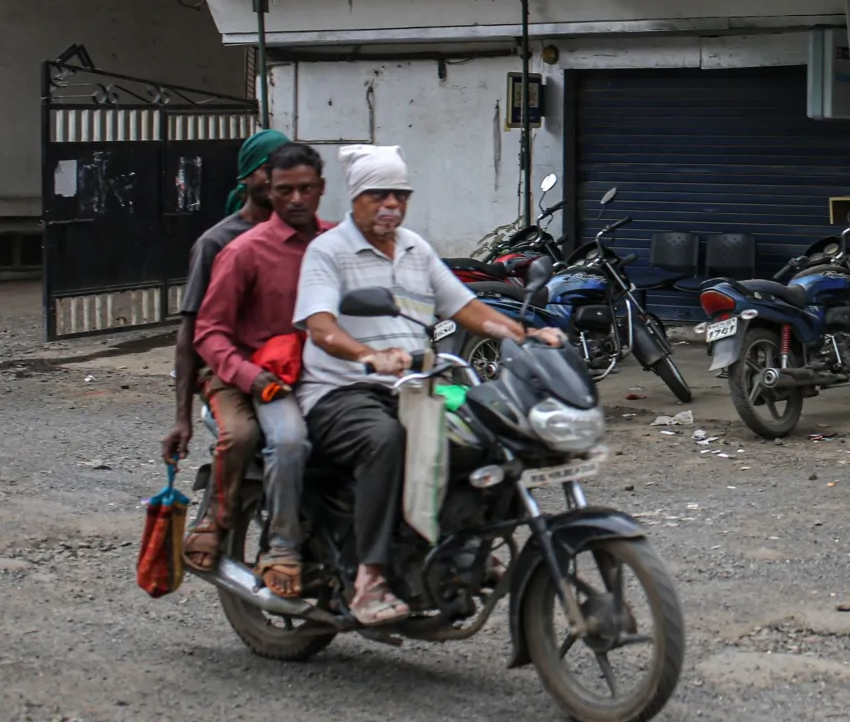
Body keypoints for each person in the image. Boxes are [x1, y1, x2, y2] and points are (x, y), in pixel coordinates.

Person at [294, 145, 564, 625]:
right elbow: (320, 326)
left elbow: (465, 308)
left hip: (419, 386)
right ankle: (370, 578)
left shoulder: (416, 249)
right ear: (355, 198)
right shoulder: (328, 251)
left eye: (400, 195)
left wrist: (526, 333)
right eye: (379, 195)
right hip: (341, 391)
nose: (391, 205)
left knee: (492, 429)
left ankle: (465, 544)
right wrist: (368, 355)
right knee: (387, 441)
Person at [191, 143, 331, 597]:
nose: (296, 199)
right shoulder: (241, 250)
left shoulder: (337, 244)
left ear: (321, 190)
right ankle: (279, 546)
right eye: (285, 190)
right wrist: (252, 377)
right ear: (268, 190)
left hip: (323, 375)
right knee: (285, 440)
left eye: (306, 189)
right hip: (256, 377)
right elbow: (207, 331)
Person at [162, 126, 291, 573]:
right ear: (249, 177)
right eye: (270, 170)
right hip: (224, 369)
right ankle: (214, 522)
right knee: (243, 434)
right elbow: (190, 332)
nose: (280, 181)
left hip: (286, 365)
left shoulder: (302, 236)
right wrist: (181, 417)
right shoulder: (218, 242)